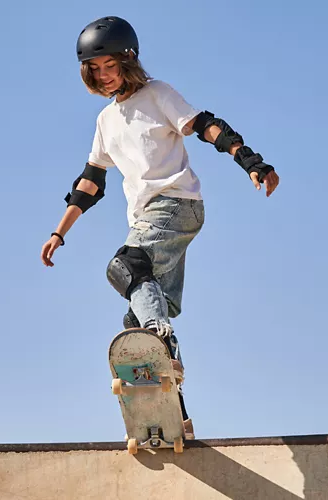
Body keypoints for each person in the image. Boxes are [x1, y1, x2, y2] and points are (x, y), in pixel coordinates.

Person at [40, 16, 280, 438]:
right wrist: (60, 232)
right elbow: (90, 181)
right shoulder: (105, 121)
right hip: (149, 220)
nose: (103, 76)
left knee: (126, 266)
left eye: (109, 66)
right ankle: (176, 419)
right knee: (136, 323)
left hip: (177, 205)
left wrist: (250, 161)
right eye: (94, 70)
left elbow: (206, 125)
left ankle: (161, 344)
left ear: (128, 60)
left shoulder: (158, 94)